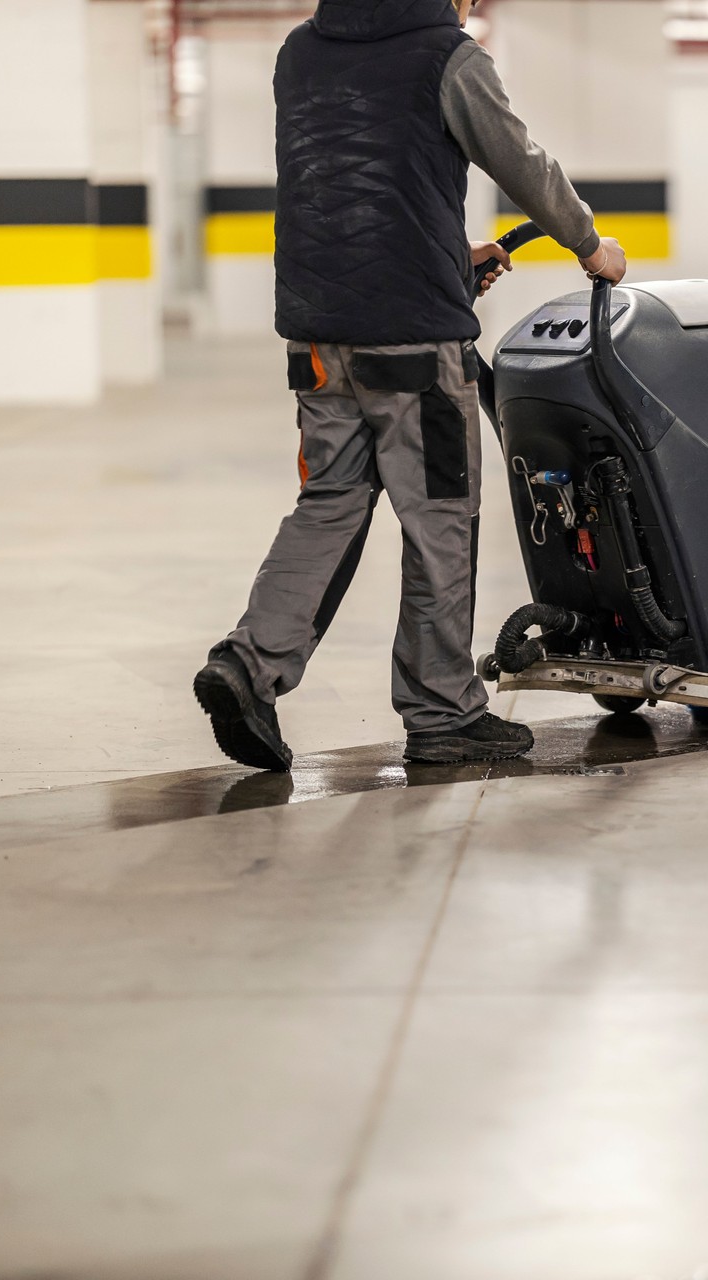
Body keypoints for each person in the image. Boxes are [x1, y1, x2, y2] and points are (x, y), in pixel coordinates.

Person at [193, 0, 627, 772]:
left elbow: (347, 190)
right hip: (415, 351)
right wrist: (590, 245)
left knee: (328, 502)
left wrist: (450, 261)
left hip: (319, 336)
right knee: (440, 520)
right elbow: (520, 161)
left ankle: (247, 666)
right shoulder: (448, 55)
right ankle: (443, 710)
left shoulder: (301, 53)